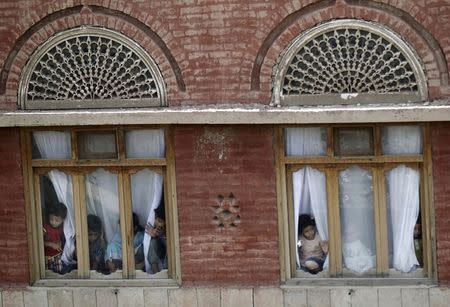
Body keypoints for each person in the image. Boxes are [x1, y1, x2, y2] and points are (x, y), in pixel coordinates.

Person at [43, 201, 67, 273]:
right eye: (51, 219)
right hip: (47, 256)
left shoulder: (63, 228)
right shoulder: (45, 228)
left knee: (59, 272)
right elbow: (39, 242)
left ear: (62, 220)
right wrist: (51, 244)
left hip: (57, 255)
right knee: (48, 273)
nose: (53, 222)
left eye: (57, 220)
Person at [145, 205, 167, 274]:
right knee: (152, 241)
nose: (157, 228)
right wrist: (153, 234)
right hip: (157, 253)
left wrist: (162, 235)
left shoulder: (168, 228)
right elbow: (145, 229)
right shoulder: (152, 224)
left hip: (166, 254)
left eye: (160, 227)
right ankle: (156, 273)